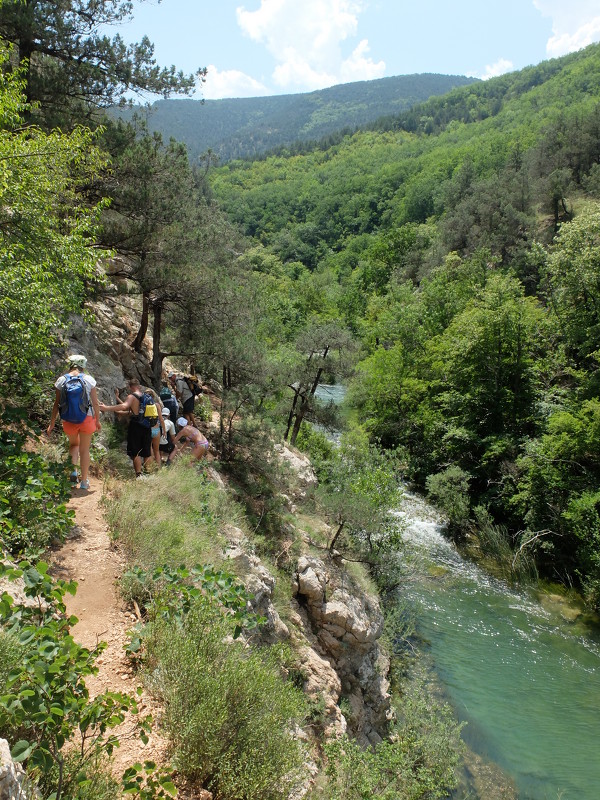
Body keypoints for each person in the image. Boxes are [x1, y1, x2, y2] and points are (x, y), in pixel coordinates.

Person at [47, 354, 101, 491]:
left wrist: (52, 422)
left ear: (70, 365)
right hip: (87, 418)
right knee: (84, 449)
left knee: (73, 445)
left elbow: (56, 404)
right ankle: (84, 482)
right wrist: (97, 421)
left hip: (68, 419)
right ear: (83, 365)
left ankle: (72, 475)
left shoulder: (61, 380)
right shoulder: (89, 380)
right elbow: (95, 403)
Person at [99, 378, 165, 479]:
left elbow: (124, 406)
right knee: (147, 452)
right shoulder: (147, 397)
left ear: (130, 387)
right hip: (148, 426)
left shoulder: (132, 396)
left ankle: (139, 475)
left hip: (136, 426)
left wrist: (106, 408)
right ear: (139, 386)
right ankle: (149, 474)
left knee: (135, 452)